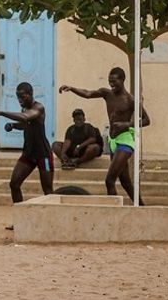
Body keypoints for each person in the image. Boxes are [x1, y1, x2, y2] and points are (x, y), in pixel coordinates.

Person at [59, 67, 151, 203]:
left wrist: (126, 124)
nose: (111, 85)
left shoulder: (130, 100)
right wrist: (72, 88)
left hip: (125, 141)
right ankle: (143, 208)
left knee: (109, 180)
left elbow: (146, 120)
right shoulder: (106, 93)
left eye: (114, 81)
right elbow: (88, 93)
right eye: (110, 81)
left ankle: (112, 211)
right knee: (125, 181)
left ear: (122, 80)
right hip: (113, 140)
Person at [0, 82, 55, 203]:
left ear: (30, 94)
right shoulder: (24, 109)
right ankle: (19, 216)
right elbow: (25, 124)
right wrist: (13, 126)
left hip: (43, 155)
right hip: (28, 154)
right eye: (18, 96)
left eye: (22, 96)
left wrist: (0, 113)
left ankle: (53, 218)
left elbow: (25, 117)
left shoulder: (38, 108)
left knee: (48, 190)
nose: (19, 99)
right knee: (14, 184)